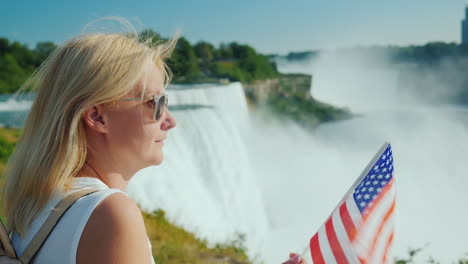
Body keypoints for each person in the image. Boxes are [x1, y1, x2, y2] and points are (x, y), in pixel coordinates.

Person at [2, 21, 306, 264]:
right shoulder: (109, 214)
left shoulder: (40, 201)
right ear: (97, 117)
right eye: (156, 102)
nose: (171, 120)